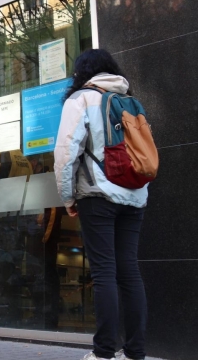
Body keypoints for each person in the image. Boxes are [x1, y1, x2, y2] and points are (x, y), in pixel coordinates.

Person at [54, 49, 148, 360]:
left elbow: (66, 154)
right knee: (129, 272)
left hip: (98, 195)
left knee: (105, 272)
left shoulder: (81, 99)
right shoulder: (130, 99)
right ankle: (135, 351)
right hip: (134, 195)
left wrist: (67, 197)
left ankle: (104, 352)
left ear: (82, 72)